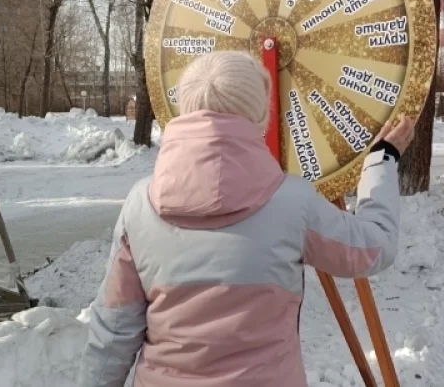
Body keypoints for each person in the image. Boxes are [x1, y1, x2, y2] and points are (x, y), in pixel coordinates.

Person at [77, 51, 414, 387]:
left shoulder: (140, 204)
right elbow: (374, 247)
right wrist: (381, 160)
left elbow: (113, 334)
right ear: (258, 113)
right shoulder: (293, 204)